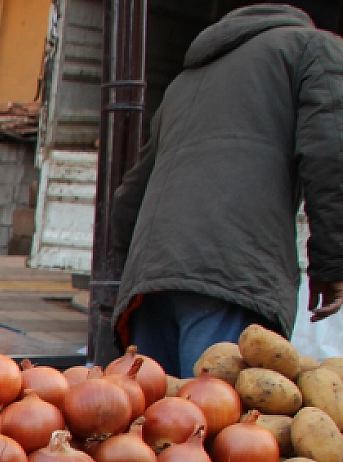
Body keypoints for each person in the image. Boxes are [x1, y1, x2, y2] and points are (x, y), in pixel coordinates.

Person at [111, 1, 343, 378]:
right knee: (215, 408)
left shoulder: (185, 81)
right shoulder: (315, 48)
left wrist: (139, 270)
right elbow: (331, 156)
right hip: (229, 275)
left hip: (151, 286)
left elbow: (129, 197)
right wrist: (333, 265)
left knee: (151, 409)